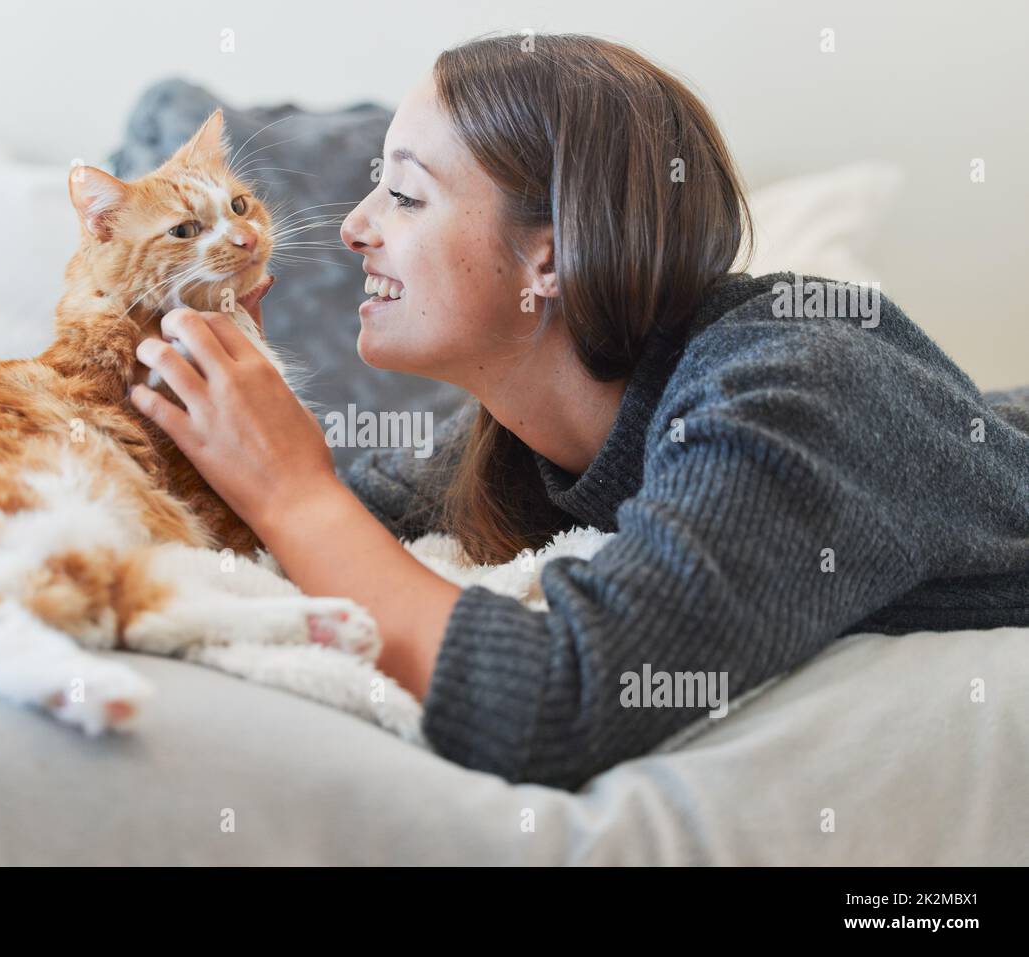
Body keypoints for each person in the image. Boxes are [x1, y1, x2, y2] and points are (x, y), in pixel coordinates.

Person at [129, 33, 1029, 791]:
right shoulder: (509, 443)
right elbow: (250, 543)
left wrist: (296, 491)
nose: (356, 227)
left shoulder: (804, 380)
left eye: (405, 194)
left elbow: (554, 701)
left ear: (549, 259)